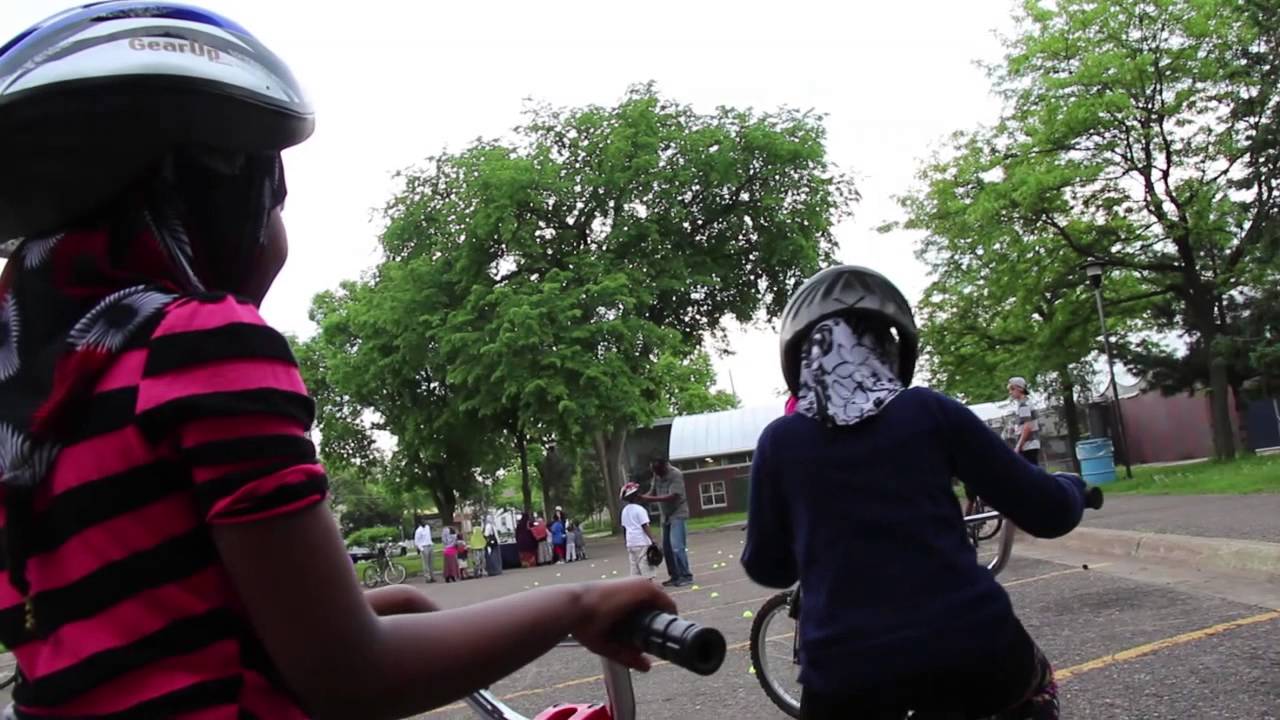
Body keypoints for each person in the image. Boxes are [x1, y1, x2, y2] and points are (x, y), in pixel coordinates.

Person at [0, 7, 675, 717]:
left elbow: (147, 635)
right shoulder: (198, 345)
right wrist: (575, 602)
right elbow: (353, 675)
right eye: (275, 198)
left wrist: (388, 604)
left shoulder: (39, 397)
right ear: (221, 195)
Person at [742, 265, 1089, 720]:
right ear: (891, 346)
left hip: (845, 674)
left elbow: (767, 565)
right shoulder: (929, 411)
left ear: (801, 354)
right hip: (972, 651)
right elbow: (1046, 511)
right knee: (1031, 691)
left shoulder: (780, 442)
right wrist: (1073, 488)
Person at [639, 456, 693, 587]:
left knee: (677, 547)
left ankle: (686, 575)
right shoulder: (657, 474)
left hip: (678, 513)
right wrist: (639, 497)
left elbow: (673, 496)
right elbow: (652, 492)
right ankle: (674, 576)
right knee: (666, 548)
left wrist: (651, 499)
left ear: (664, 466)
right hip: (665, 515)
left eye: (657, 470)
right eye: (653, 470)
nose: (656, 473)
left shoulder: (676, 475)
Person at [619, 483, 658, 579]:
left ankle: (636, 586)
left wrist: (626, 541)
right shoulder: (640, 510)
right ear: (636, 496)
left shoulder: (624, 510)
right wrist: (652, 539)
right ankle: (648, 586)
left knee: (634, 566)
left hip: (631, 543)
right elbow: (645, 525)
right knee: (645, 565)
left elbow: (624, 528)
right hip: (642, 542)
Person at [1008, 377, 1042, 466]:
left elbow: (1027, 426)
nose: (1010, 392)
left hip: (1028, 445)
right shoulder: (1024, 403)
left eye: (1012, 389)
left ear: (1020, 389)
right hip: (1030, 445)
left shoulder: (1024, 405)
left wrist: (1018, 445)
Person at [416, 517, 436, 583]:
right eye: (422, 521)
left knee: (431, 563)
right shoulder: (419, 531)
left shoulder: (427, 527)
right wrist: (421, 549)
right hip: (424, 547)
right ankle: (427, 578)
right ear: (420, 523)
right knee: (425, 564)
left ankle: (432, 576)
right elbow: (417, 542)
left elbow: (433, 527)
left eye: (424, 520)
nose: (424, 522)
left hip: (430, 545)